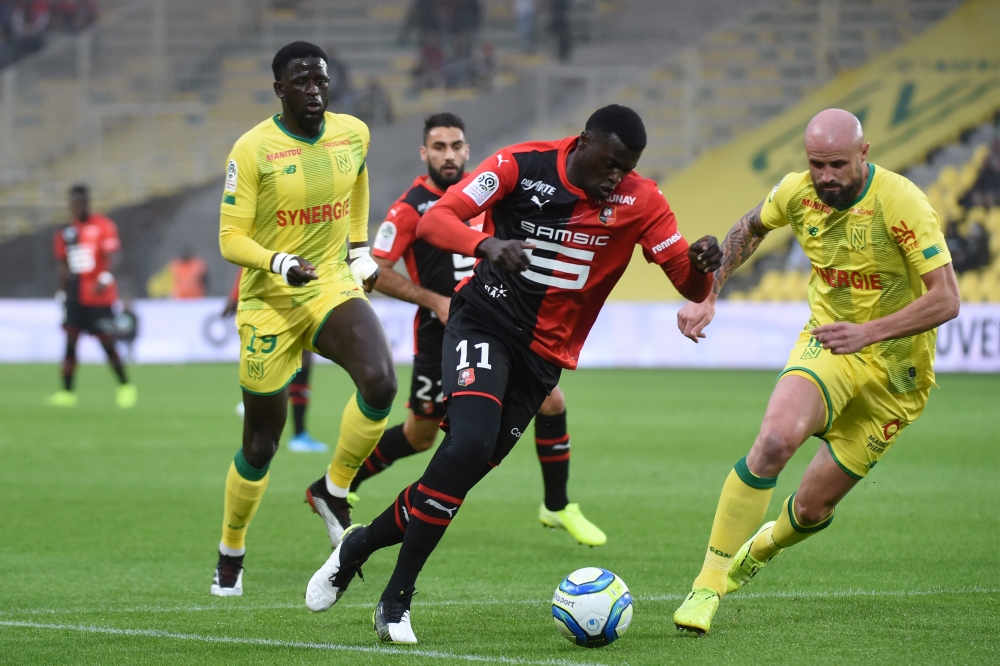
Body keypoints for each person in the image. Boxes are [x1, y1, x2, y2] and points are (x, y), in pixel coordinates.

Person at [305, 104, 722, 644]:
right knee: (466, 446)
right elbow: (437, 219)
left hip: (543, 360)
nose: (618, 175)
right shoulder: (521, 165)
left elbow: (687, 284)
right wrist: (487, 244)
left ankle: (356, 547)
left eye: (629, 165)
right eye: (611, 162)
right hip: (484, 321)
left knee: (453, 479)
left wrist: (702, 266)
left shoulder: (644, 201)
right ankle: (395, 602)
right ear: (583, 143)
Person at [672, 108, 961, 635]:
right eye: (815, 164)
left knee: (810, 508)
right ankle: (707, 585)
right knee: (775, 441)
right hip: (829, 343)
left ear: (864, 154)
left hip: (897, 380)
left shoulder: (900, 202)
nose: (824, 176)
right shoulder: (796, 192)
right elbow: (747, 227)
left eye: (836, 164)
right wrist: (709, 293)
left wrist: (869, 333)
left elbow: (947, 299)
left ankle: (762, 546)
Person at [355, 111, 605, 546]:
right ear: (424, 152)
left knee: (551, 402)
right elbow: (371, 271)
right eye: (439, 147)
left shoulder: (488, 192)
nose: (449, 155)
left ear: (468, 150)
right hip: (441, 334)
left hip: (498, 324)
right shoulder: (410, 207)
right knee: (420, 434)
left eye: (456, 146)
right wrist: (433, 300)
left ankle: (558, 505)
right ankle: (347, 483)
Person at [210, 41, 397, 597]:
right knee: (262, 445)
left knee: (381, 382)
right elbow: (229, 238)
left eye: (320, 80)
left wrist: (360, 246)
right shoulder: (252, 150)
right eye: (301, 82)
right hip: (269, 298)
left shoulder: (353, 132)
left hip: (327, 283)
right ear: (279, 90)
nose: (314, 90)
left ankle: (333, 490)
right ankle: (231, 548)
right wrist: (277, 260)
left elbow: (359, 176)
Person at [49, 184, 137, 409]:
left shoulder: (103, 226)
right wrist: (61, 292)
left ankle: (125, 386)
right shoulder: (66, 231)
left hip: (99, 298)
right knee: (70, 343)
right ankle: (67, 393)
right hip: (74, 297)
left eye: (81, 202)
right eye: (73, 203)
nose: (77, 207)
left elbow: (114, 256)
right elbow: (64, 266)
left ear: (87, 202)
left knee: (107, 343)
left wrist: (105, 277)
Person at [222, 269, 328, 453]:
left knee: (288, 360)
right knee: (300, 361)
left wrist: (234, 297)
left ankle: (258, 406)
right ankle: (297, 433)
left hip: (281, 297)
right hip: (286, 297)